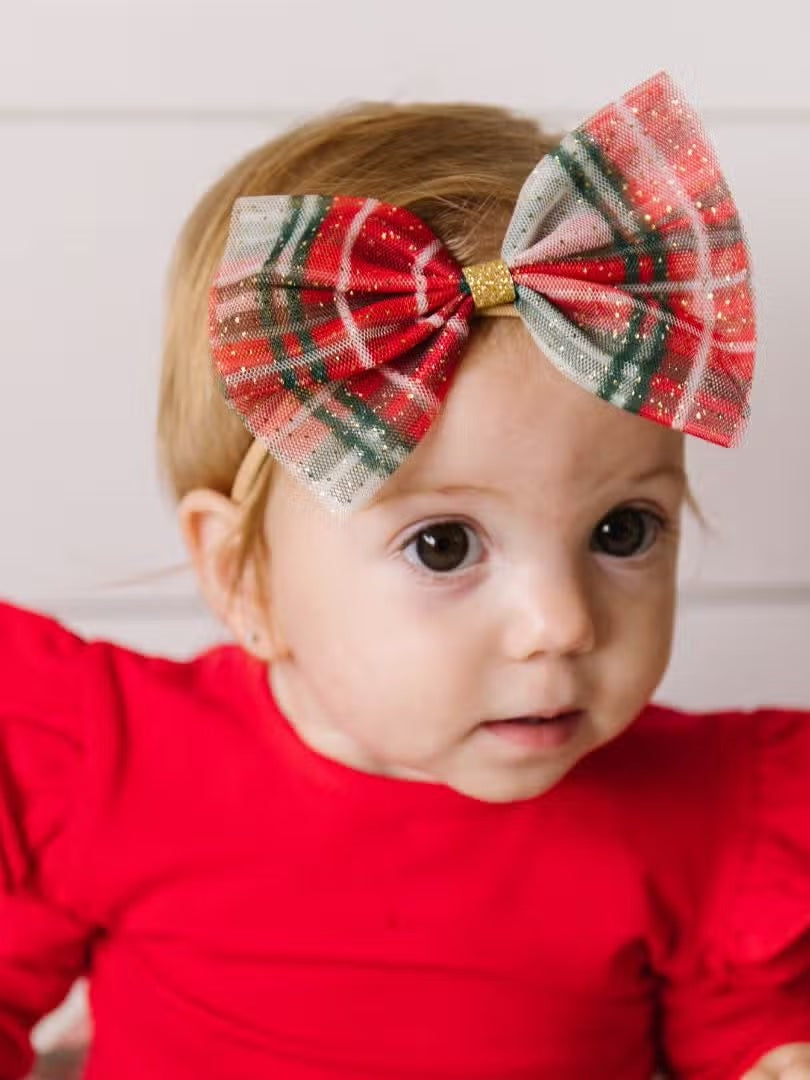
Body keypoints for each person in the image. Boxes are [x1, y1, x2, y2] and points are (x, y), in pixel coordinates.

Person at [1, 69, 808, 1080]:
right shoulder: (106, 769)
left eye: (622, 528)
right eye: (444, 545)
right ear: (241, 577)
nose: (560, 624)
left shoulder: (702, 818)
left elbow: (735, 1022)